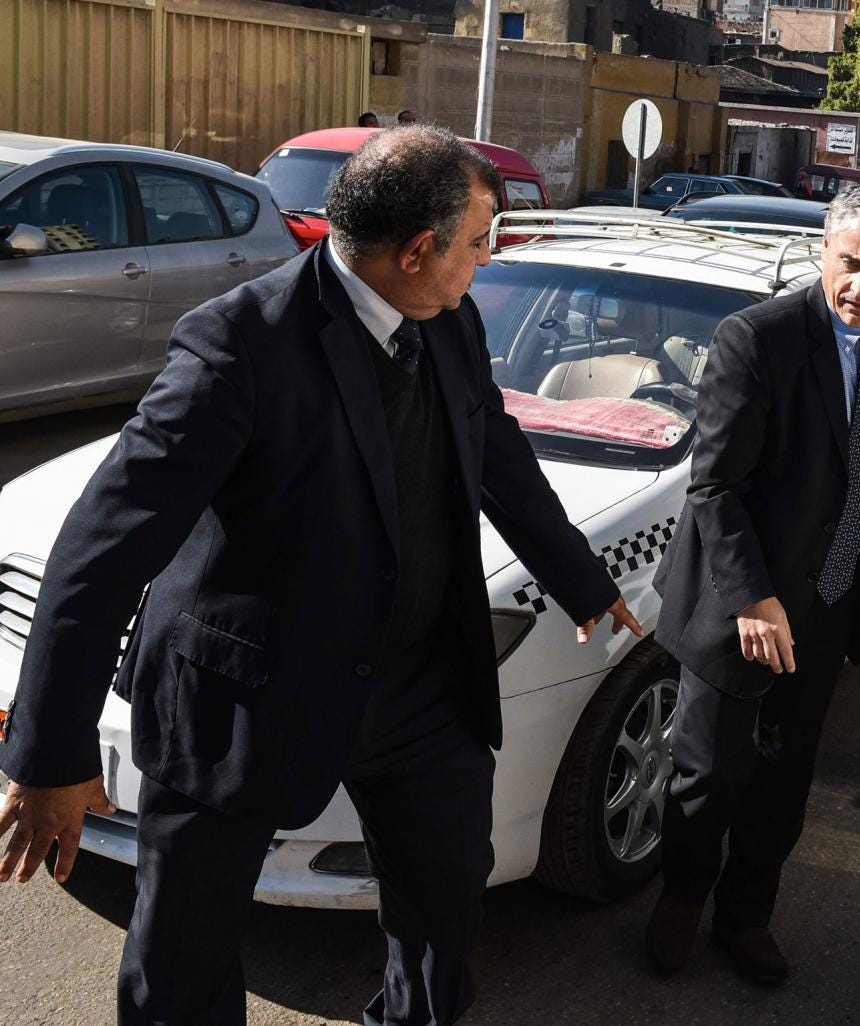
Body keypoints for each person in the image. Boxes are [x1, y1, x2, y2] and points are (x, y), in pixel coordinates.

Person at [0, 125, 641, 1026]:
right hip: (245, 697)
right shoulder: (237, 346)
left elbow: (495, 452)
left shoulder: (449, 318)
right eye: (477, 241)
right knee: (183, 951)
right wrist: (50, 754)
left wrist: (581, 580)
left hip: (418, 688)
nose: (484, 260)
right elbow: (104, 548)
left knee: (446, 906)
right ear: (417, 250)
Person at [645, 181, 860, 984]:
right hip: (739, 604)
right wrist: (754, 598)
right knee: (709, 775)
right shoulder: (757, 339)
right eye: (849, 264)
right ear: (824, 250)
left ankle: (746, 917)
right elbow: (714, 488)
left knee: (782, 782)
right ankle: (680, 903)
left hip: (829, 603)